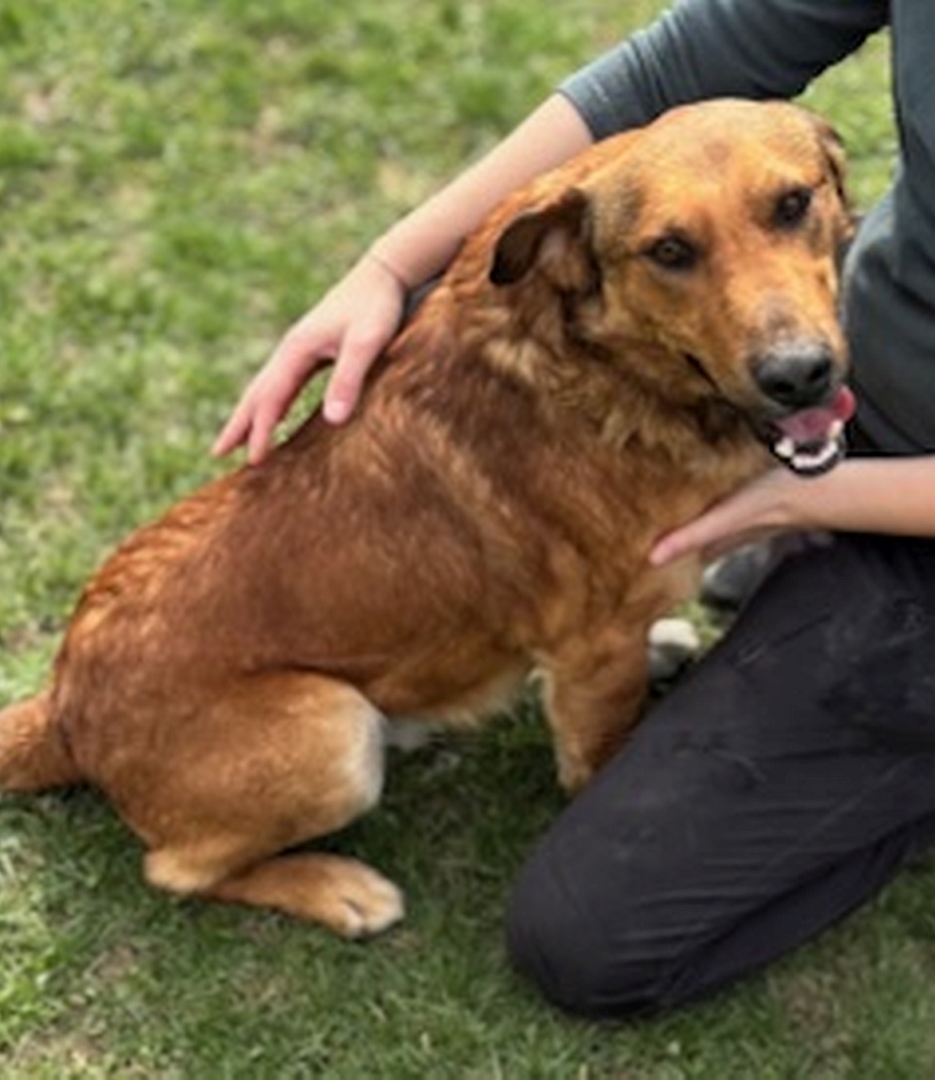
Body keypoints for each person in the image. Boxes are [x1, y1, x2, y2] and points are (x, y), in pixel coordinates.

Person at [216, 0, 935, 1018]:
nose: (782, 338)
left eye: (787, 212)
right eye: (683, 255)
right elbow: (701, 51)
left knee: (592, 938)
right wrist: (391, 264)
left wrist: (800, 494)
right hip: (856, 409)